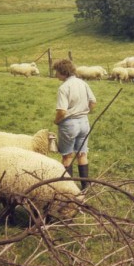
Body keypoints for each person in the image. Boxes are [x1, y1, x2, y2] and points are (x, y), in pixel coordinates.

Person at [53, 59, 96, 190]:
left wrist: (56, 121)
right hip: (84, 123)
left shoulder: (64, 87)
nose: (55, 75)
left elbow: (62, 111)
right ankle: (85, 187)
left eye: (57, 72)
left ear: (63, 72)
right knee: (82, 154)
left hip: (69, 125)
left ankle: (68, 188)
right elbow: (93, 102)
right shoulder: (82, 83)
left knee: (67, 156)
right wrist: (84, 112)